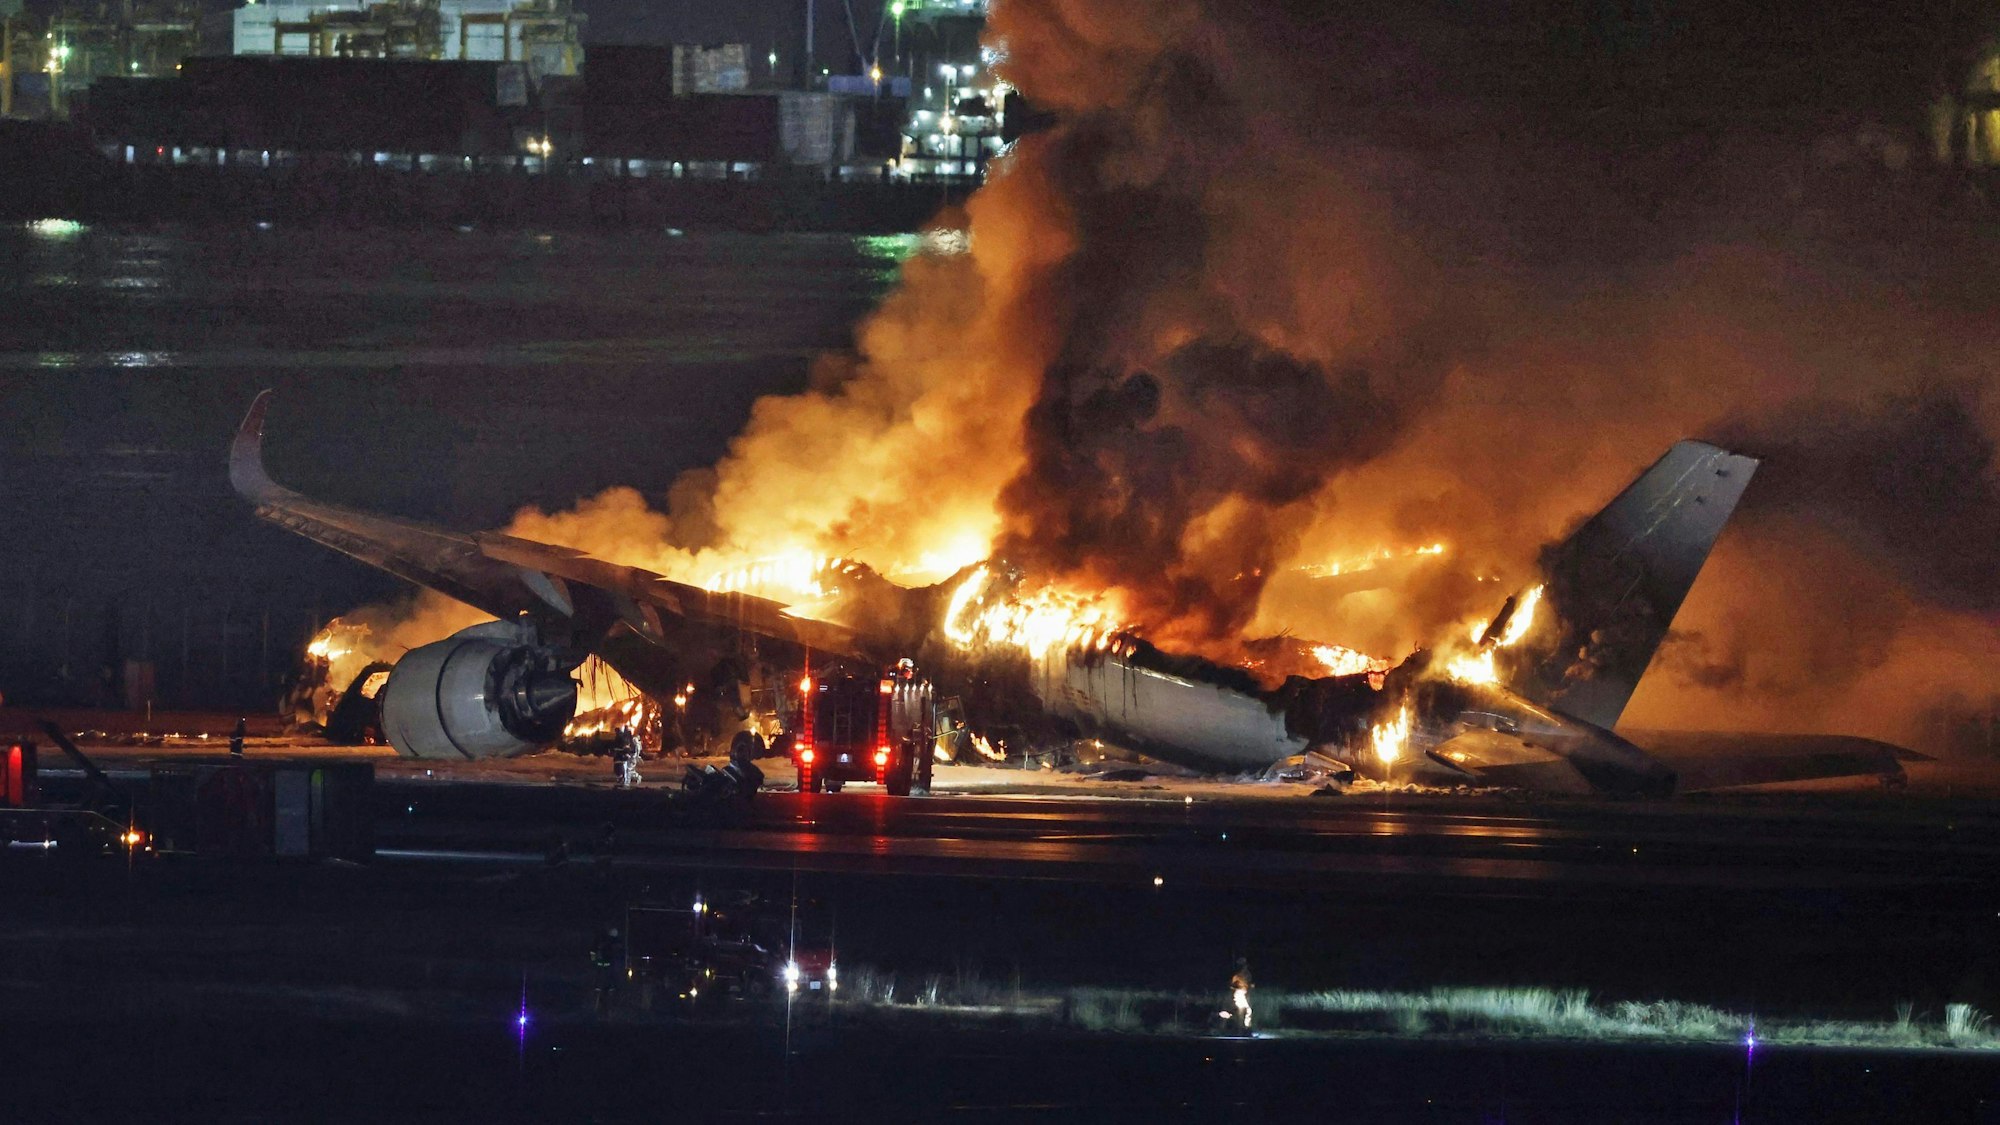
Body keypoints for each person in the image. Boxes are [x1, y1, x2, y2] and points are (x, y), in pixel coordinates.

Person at [1230, 957, 1254, 1030]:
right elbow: (1232, 986)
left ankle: (1246, 1026)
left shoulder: (1248, 975)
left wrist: (1250, 987)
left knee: (1248, 1010)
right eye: (1243, 965)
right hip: (1240, 994)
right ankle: (1240, 1027)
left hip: (1246, 993)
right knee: (1241, 1010)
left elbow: (1250, 983)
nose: (1245, 967)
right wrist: (1238, 987)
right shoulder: (1237, 976)